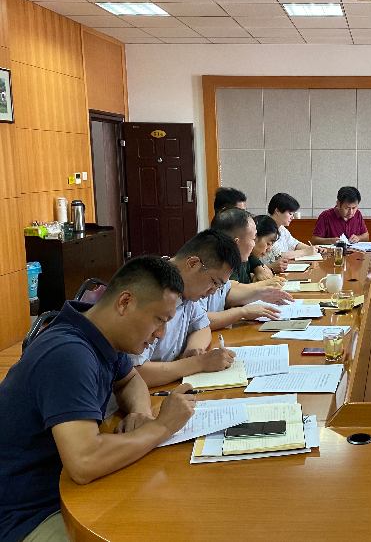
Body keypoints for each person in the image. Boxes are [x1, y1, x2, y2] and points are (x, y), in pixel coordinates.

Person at [0, 256, 196, 541]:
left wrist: (140, 413)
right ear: (125, 302)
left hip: (64, 489)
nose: (160, 334)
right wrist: (162, 426)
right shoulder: (69, 354)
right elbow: (85, 461)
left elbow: (131, 380)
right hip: (27, 514)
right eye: (159, 319)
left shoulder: (100, 334)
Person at [132, 229, 242, 387]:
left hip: (168, 383)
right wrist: (199, 363)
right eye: (214, 282)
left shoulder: (187, 290)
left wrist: (193, 350)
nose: (213, 291)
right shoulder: (151, 291)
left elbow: (202, 327)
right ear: (193, 264)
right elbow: (135, 374)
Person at [203, 211, 293, 331]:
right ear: (236, 242)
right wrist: (243, 311)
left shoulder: (226, 264)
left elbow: (227, 293)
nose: (253, 244)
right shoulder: (205, 268)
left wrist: (261, 294)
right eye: (253, 238)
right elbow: (197, 320)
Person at [262, 193, 318, 271]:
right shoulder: (266, 229)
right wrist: (306, 251)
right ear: (277, 211)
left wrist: (313, 248)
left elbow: (295, 244)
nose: (292, 217)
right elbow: (277, 256)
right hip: (269, 271)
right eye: (290, 213)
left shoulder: (281, 228)